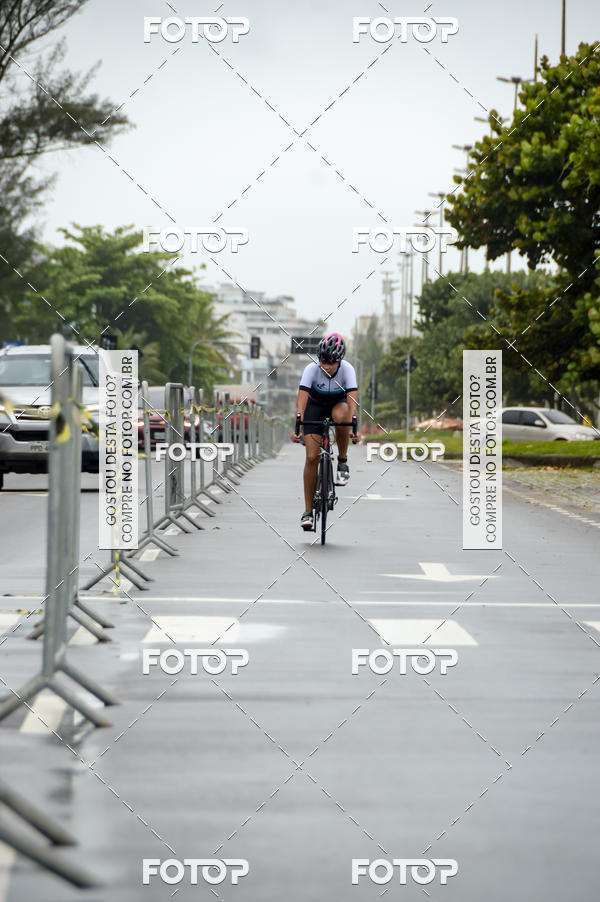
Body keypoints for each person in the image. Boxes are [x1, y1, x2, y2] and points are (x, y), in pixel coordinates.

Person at [291, 333, 359, 530]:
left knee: (343, 414)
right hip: (315, 405)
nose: (327, 366)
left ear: (339, 360)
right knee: (312, 457)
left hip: (338, 403)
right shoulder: (311, 370)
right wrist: (298, 427)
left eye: (331, 362)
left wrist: (354, 425)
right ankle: (307, 512)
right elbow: (301, 402)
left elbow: (352, 399)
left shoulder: (348, 370)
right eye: (323, 361)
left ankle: (343, 462)